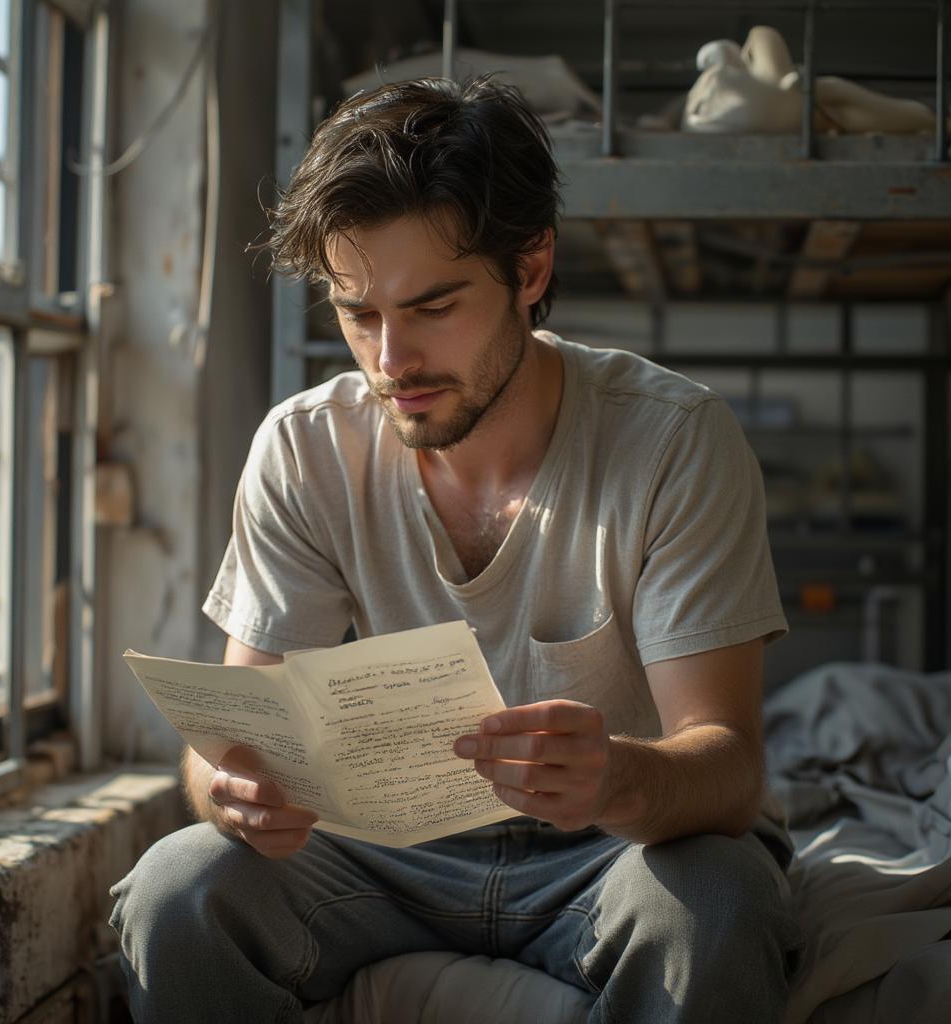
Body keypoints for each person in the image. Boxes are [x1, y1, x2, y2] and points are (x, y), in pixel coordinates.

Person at [110, 75, 804, 1023]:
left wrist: (618, 776)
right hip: (383, 848)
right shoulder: (305, 447)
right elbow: (236, 737)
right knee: (177, 893)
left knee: (718, 905)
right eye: (357, 315)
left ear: (530, 269)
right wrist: (229, 789)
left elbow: (728, 768)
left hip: (615, 848)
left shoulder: (672, 441)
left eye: (432, 306)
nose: (391, 360)